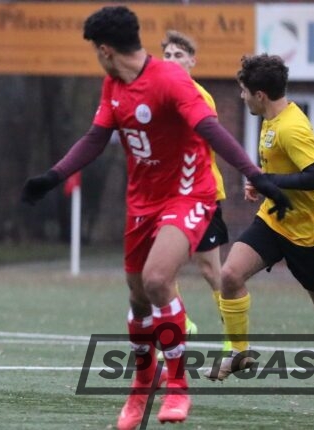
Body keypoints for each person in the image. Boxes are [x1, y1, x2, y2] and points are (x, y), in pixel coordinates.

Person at [20, 6, 290, 429]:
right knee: (138, 298)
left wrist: (255, 176)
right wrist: (53, 176)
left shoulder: (170, 80)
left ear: (105, 50)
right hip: (142, 201)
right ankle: (143, 383)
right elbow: (95, 138)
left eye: (95, 50)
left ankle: (178, 387)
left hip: (189, 193)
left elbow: (212, 130)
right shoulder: (113, 85)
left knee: (157, 279)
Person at [203, 53, 314, 403]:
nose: (242, 97)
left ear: (260, 95)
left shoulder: (292, 127)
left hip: (310, 233)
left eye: (244, 92)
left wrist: (269, 180)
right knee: (230, 275)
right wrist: (265, 186)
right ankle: (239, 352)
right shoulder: (270, 117)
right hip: (274, 220)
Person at [161, 30, 231, 352]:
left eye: (179, 55)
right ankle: (182, 324)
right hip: (168, 195)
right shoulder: (158, 96)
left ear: (192, 61)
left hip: (202, 194)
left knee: (209, 269)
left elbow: (203, 142)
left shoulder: (200, 97)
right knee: (161, 267)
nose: (172, 60)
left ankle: (233, 334)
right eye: (167, 55)